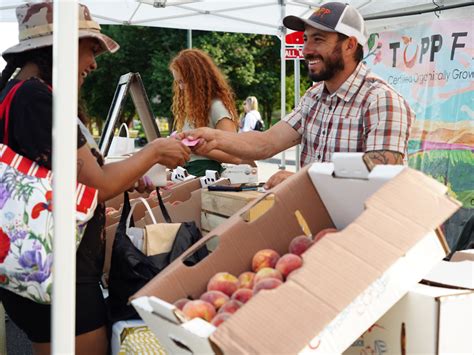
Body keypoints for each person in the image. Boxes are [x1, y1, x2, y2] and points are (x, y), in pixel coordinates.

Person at [0, 3, 190, 354]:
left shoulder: (15, 93)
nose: (94, 63)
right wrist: (156, 151)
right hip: (62, 273)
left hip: (35, 268)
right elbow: (96, 185)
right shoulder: (38, 99)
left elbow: (71, 178)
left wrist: (130, 173)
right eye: (91, 48)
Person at [181, 2, 414, 188]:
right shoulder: (314, 98)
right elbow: (266, 143)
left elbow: (380, 180)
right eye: (305, 39)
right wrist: (212, 138)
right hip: (312, 224)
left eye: (318, 39)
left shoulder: (381, 100)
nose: (306, 50)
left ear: (350, 45)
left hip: (359, 235)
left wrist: (301, 180)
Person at [170, 48, 247, 176]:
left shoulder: (217, 107)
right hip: (187, 173)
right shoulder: (192, 109)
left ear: (197, 80)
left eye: (183, 82)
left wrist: (199, 149)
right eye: (178, 83)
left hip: (205, 176)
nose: (181, 88)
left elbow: (235, 157)